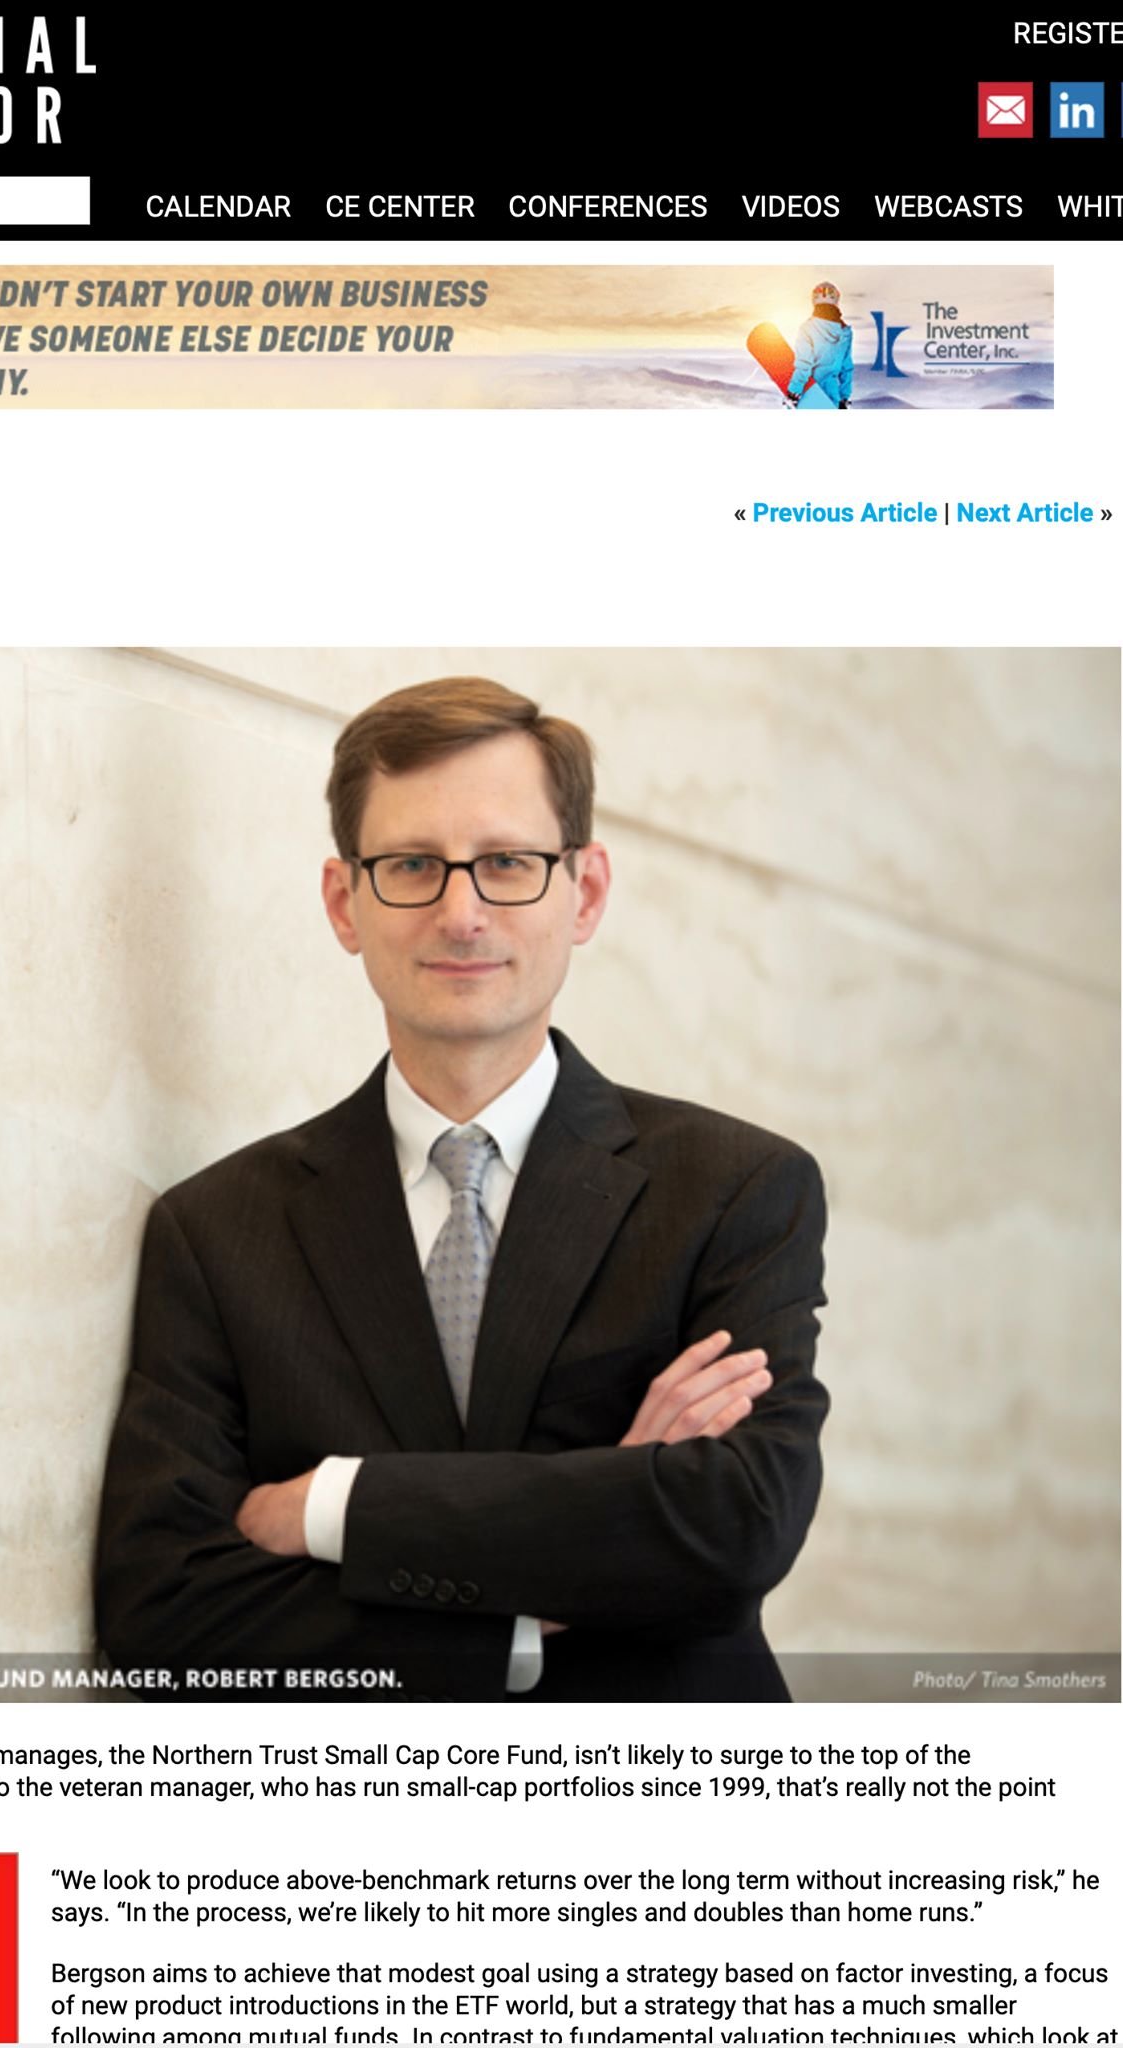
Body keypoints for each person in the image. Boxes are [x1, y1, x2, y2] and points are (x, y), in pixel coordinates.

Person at [95, 677, 828, 1701]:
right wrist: (572, 1561)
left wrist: (330, 1507)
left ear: (585, 891)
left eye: (506, 863)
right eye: (410, 865)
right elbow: (165, 1613)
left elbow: (732, 1526)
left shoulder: (733, 1190)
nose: (461, 911)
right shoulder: (219, 1230)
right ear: (344, 904)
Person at [786, 281, 854, 409]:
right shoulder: (845, 332)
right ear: (836, 301)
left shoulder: (807, 328)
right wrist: (845, 397)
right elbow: (846, 368)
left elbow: (804, 364)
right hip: (832, 395)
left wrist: (794, 391)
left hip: (809, 393)